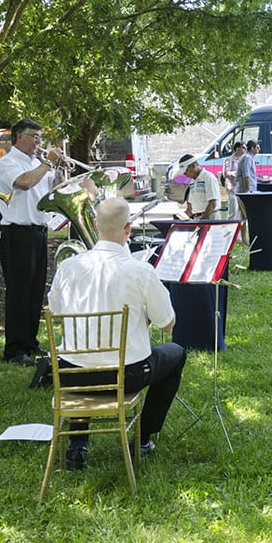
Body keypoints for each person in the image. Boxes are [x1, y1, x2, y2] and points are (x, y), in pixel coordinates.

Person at [48, 197, 187, 469]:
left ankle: (78, 444)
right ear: (128, 228)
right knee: (176, 354)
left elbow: (55, 311)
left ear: (96, 225)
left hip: (70, 375)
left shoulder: (68, 267)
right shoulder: (140, 270)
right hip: (126, 375)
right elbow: (167, 324)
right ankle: (143, 436)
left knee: (84, 357)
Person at [0, 119, 65, 366]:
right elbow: (24, 183)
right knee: (19, 292)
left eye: (39, 137)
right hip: (17, 233)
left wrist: (60, 171)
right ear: (18, 137)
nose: (38, 141)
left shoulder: (37, 163)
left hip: (38, 231)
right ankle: (14, 349)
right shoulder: (7, 162)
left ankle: (30, 342)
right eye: (34, 136)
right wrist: (48, 164)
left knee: (35, 291)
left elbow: (51, 192)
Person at [177, 153, 220, 219]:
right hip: (197, 217)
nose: (185, 174)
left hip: (210, 217)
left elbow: (212, 203)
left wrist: (203, 220)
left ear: (193, 166)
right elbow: (190, 206)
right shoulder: (192, 182)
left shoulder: (208, 177)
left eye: (186, 171)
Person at [222, 141, 246, 220]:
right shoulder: (229, 160)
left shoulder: (243, 160)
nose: (245, 150)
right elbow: (225, 173)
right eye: (243, 148)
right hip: (232, 188)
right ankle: (229, 228)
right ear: (237, 149)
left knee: (241, 212)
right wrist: (237, 173)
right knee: (233, 210)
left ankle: (238, 229)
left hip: (241, 189)